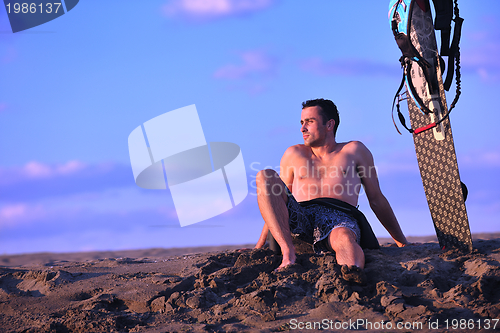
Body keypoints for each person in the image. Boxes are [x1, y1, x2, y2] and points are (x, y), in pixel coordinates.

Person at [254, 98, 408, 274]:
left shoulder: (354, 151)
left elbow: (376, 199)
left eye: (309, 122)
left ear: (329, 124)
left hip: (339, 217)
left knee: (343, 237)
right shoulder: (293, 154)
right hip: (301, 216)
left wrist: (401, 241)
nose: (302, 129)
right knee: (265, 176)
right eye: (302, 123)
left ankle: (352, 274)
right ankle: (288, 253)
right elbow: (275, 201)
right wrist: (260, 246)